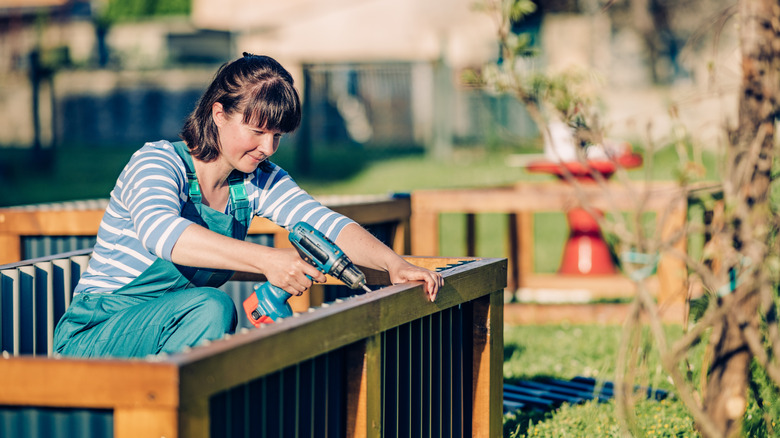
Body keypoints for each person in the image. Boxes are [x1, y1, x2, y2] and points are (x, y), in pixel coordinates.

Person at [53, 53, 443, 359]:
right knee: (210, 307)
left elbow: (323, 222)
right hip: (95, 336)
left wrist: (394, 264)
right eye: (257, 131)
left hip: (172, 329)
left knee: (209, 310)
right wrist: (268, 261)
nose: (268, 148)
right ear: (218, 114)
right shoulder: (156, 162)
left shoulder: (257, 179)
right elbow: (163, 233)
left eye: (278, 135)